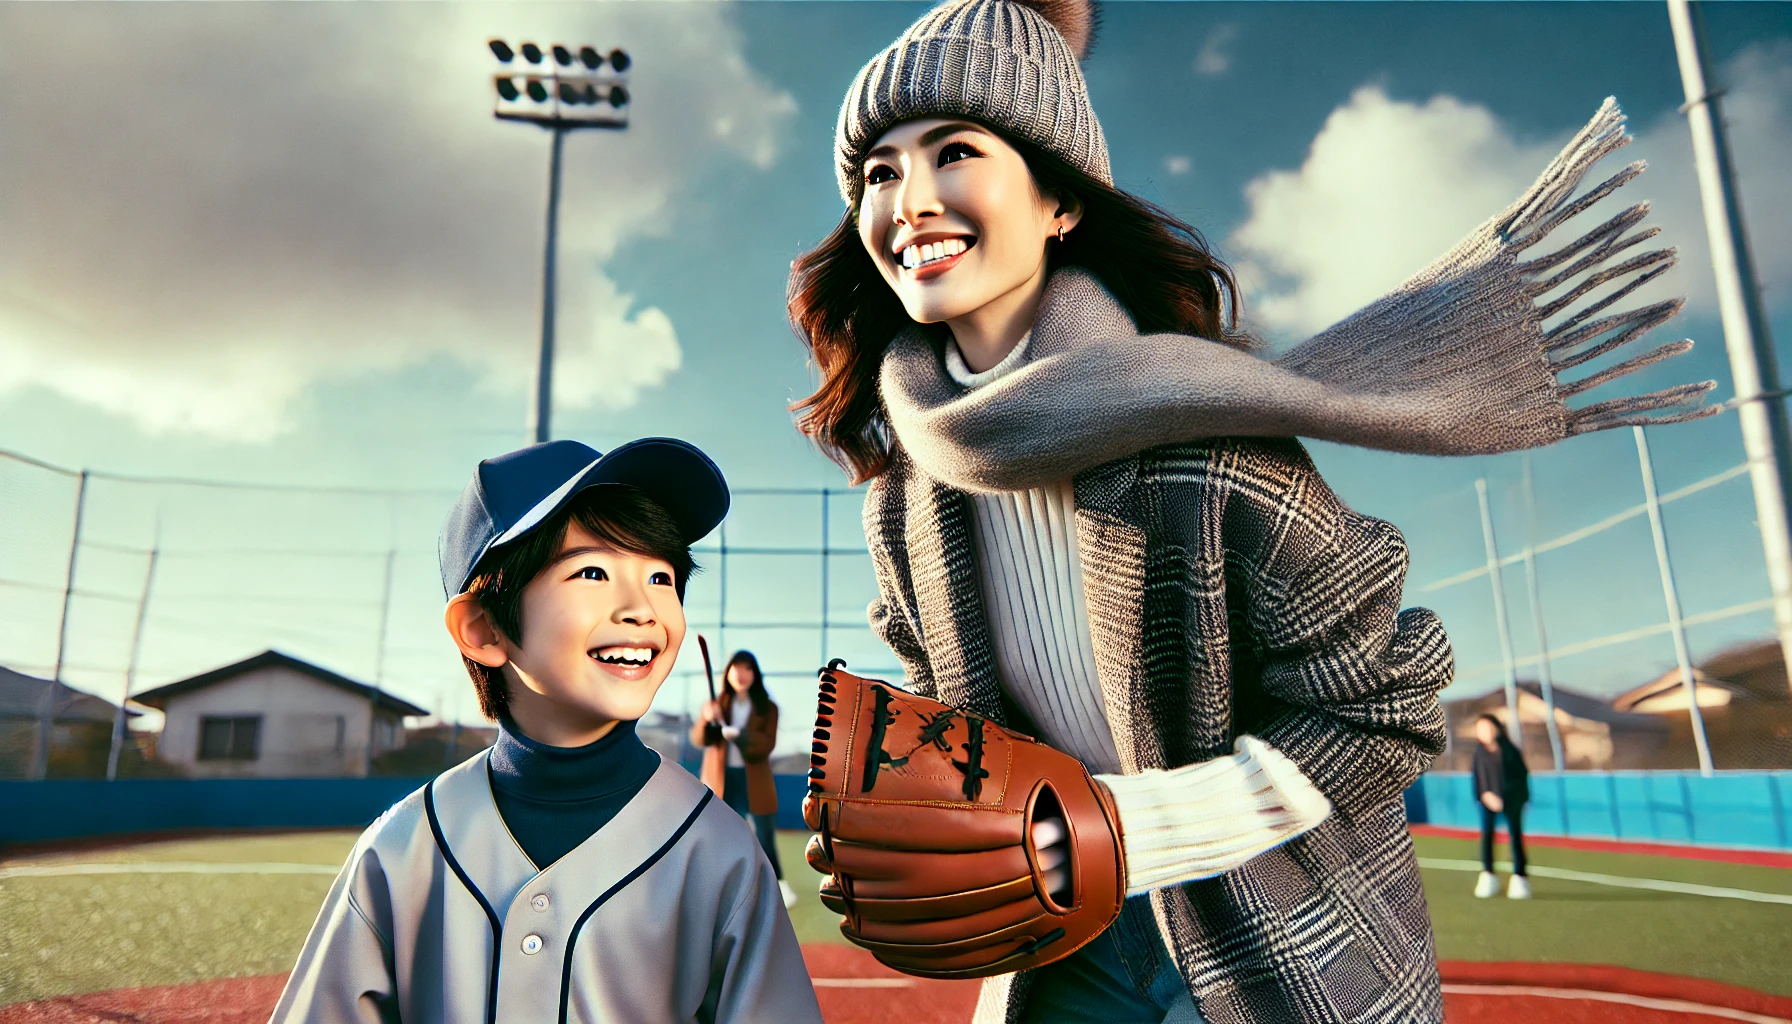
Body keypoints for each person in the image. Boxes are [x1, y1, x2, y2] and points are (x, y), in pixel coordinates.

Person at [787, 0, 1712, 1020]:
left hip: (1273, 946)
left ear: (1059, 203)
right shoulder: (905, 504)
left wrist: (1126, 826)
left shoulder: (1208, 443)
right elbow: (957, 713)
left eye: (953, 152)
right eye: (878, 171)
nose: (907, 199)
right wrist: (904, 804)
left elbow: (1382, 707)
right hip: (1062, 952)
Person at [270, 438, 822, 1024]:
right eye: (592, 571)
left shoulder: (721, 849)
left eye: (661, 577)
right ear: (483, 628)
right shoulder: (402, 848)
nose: (642, 608)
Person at [692, 650, 798, 909]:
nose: (741, 674)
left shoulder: (767, 708)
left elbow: (765, 746)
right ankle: (721, 891)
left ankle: (780, 887)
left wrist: (738, 734)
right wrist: (707, 720)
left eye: (747, 668)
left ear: (755, 674)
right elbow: (700, 740)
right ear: (728, 672)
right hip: (723, 781)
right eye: (736, 668)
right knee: (722, 837)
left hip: (755, 782)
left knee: (764, 837)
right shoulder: (717, 705)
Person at [1472, 713, 1532, 900]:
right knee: (1487, 836)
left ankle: (1520, 877)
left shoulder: (1510, 751)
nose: (1485, 732)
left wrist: (1509, 798)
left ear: (1497, 728)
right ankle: (1488, 874)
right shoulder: (1479, 754)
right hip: (1487, 802)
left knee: (1515, 837)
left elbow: (1520, 777)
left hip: (1512, 801)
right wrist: (1485, 795)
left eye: (1488, 728)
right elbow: (1479, 779)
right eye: (1481, 729)